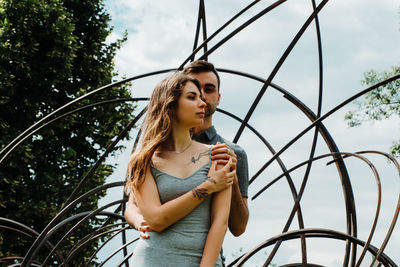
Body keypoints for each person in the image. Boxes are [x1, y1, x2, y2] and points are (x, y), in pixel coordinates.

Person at [126, 72, 236, 266]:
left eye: (202, 98)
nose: (202, 103)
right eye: (192, 97)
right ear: (170, 104)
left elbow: (220, 223)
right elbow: (157, 219)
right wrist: (208, 186)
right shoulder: (142, 160)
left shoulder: (219, 155)